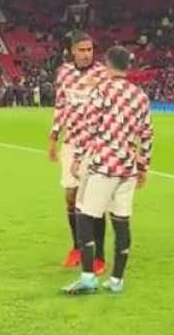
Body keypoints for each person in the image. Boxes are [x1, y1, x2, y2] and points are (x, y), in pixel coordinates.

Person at [62, 46, 153, 295]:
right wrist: (143, 166)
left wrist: (78, 157)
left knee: (84, 214)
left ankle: (88, 277)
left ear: (107, 64)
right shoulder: (140, 96)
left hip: (103, 164)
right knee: (122, 220)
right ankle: (116, 281)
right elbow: (146, 135)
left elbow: (89, 127)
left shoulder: (101, 91)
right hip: (127, 168)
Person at [49, 31, 107, 274]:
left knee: (94, 201)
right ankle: (77, 247)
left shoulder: (102, 74)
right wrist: (53, 136)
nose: (86, 54)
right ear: (72, 50)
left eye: (90, 49)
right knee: (71, 198)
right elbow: (61, 105)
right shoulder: (64, 73)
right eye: (82, 50)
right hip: (72, 144)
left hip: (94, 145)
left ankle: (99, 256)